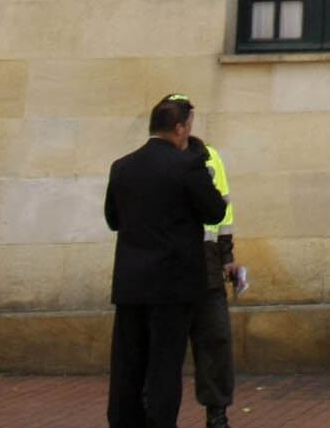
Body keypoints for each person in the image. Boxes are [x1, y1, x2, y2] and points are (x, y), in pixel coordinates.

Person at [105, 94, 227, 428]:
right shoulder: (187, 165)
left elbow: (113, 219)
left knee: (127, 365)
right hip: (173, 285)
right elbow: (215, 210)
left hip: (130, 284)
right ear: (178, 128)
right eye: (188, 126)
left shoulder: (122, 166)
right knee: (164, 366)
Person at [186, 121, 240, 428]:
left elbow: (225, 211)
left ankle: (217, 413)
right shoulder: (168, 164)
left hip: (208, 266)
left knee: (216, 342)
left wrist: (227, 255)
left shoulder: (208, 157)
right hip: (176, 268)